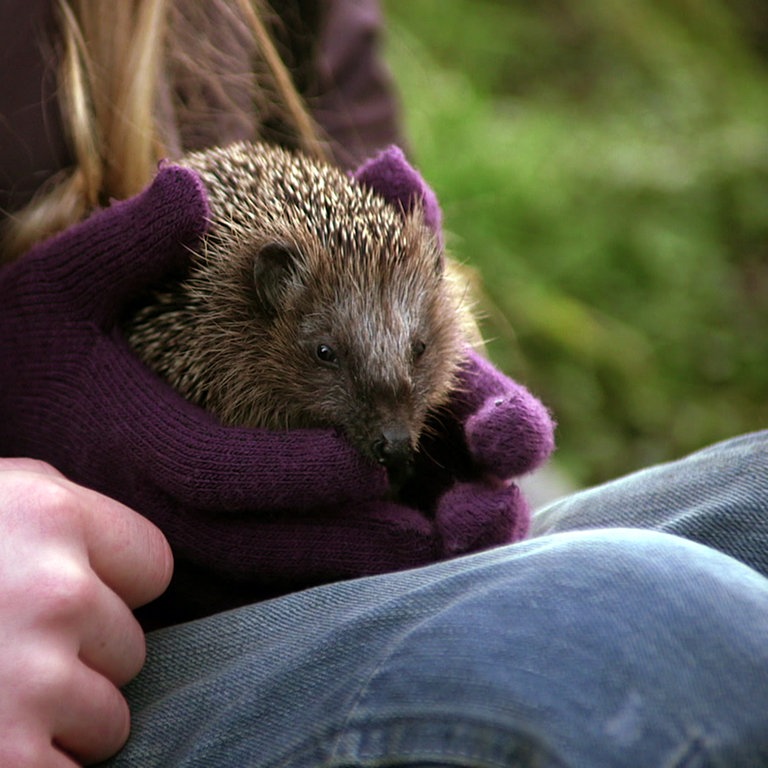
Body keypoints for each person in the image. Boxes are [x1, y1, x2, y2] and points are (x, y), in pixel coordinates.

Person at [0, 2, 766, 766]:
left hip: (330, 599)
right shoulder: (237, 340)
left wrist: (458, 448)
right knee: (660, 620)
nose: (392, 422)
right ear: (267, 299)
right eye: (329, 358)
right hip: (83, 664)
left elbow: (352, 208)